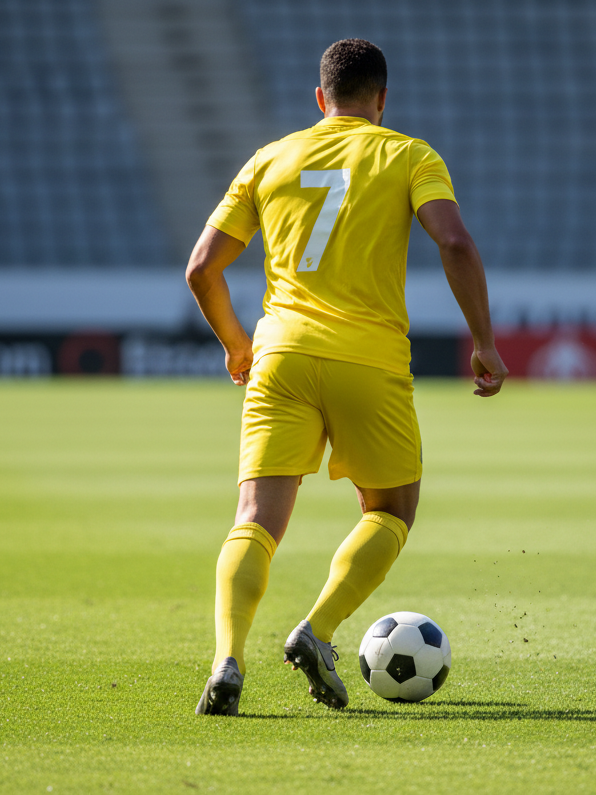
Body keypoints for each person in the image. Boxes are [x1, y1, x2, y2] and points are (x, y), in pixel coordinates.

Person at [185, 38, 506, 715]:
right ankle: (318, 630)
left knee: (255, 521)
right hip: (370, 360)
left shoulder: (271, 158)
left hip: (282, 357)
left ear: (319, 98)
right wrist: (483, 339)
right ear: (382, 100)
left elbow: (202, 268)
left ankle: (227, 661)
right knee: (390, 509)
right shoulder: (409, 154)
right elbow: (454, 241)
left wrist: (238, 344)